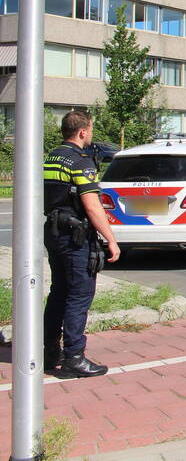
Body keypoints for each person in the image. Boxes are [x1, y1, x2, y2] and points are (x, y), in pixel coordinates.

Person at [43, 110, 121, 378]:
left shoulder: (52, 157)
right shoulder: (80, 161)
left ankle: (50, 351)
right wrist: (111, 240)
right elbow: (92, 205)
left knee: (59, 293)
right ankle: (74, 357)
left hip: (54, 232)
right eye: (91, 129)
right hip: (75, 236)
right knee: (79, 295)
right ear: (83, 132)